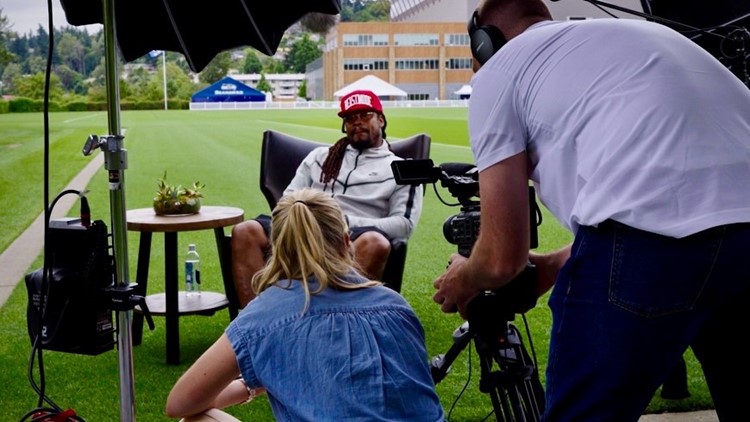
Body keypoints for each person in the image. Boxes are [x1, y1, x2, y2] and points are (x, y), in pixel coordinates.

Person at [432, 0, 750, 420]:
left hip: (652, 250)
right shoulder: (641, 38)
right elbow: (696, 197)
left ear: (484, 41)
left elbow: (500, 258)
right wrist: (553, 264)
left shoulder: (501, 69)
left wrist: (463, 278)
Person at [167, 188, 444, 421]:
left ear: (276, 249)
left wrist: (250, 383)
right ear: (347, 241)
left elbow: (179, 404)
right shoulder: (396, 305)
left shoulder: (264, 315)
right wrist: (256, 383)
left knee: (194, 419)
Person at [231, 89, 423, 307]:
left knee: (375, 242)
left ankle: (339, 319)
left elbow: (404, 224)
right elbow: (288, 199)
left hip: (353, 235)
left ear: (381, 120)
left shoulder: (401, 169)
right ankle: (254, 322)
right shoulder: (320, 157)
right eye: (350, 118)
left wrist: (342, 222)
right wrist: (305, 221)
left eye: (365, 115)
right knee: (245, 230)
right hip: (303, 226)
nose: (357, 122)